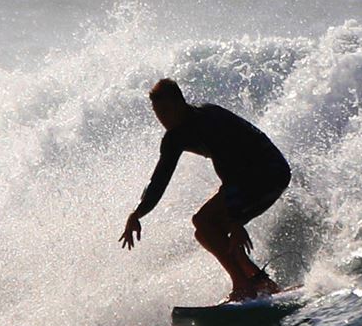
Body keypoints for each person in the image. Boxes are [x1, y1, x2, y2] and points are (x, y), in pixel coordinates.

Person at [121, 78, 290, 301]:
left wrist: (236, 220)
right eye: (157, 113)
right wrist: (138, 213)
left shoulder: (209, 121)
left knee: (205, 222)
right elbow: (159, 180)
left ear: (180, 103)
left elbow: (230, 169)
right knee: (205, 229)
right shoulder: (174, 138)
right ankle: (260, 282)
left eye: (166, 110)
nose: (162, 118)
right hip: (243, 179)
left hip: (270, 171)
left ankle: (243, 286)